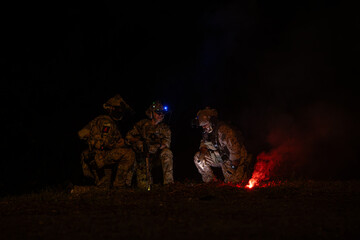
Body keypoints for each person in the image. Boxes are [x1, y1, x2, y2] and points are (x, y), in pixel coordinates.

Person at [77, 94, 136, 189]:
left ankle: (77, 190)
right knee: (129, 154)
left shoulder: (98, 120)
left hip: (95, 157)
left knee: (103, 188)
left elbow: (81, 134)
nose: (121, 112)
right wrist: (120, 144)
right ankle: (119, 185)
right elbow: (104, 143)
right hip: (99, 157)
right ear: (111, 108)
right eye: (119, 109)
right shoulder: (107, 122)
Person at [193, 107, 253, 184]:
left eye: (205, 124)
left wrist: (233, 167)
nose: (204, 127)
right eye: (202, 126)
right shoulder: (207, 132)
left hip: (234, 158)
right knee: (198, 157)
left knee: (233, 182)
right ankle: (210, 181)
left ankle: (245, 166)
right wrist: (203, 150)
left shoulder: (223, 130)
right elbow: (204, 142)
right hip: (220, 157)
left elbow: (235, 149)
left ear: (212, 121)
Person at [125, 100, 174, 189]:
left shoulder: (165, 128)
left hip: (156, 156)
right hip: (141, 157)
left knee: (167, 153)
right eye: (158, 112)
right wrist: (139, 142)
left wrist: (154, 147)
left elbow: (166, 144)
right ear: (151, 113)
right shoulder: (142, 124)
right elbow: (129, 137)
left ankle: (168, 183)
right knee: (143, 185)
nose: (161, 115)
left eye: (163, 113)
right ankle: (125, 184)